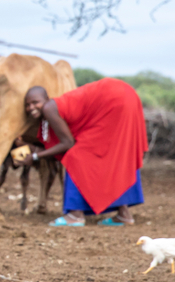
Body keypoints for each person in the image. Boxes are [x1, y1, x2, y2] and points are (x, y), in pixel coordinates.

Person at [22, 78, 148, 227]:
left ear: (47, 99)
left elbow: (68, 143)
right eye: (27, 105)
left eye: (35, 102)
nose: (31, 108)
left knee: (77, 156)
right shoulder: (49, 112)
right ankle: (123, 214)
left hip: (115, 99)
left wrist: (35, 156)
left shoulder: (49, 108)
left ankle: (75, 215)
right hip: (125, 94)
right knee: (116, 157)